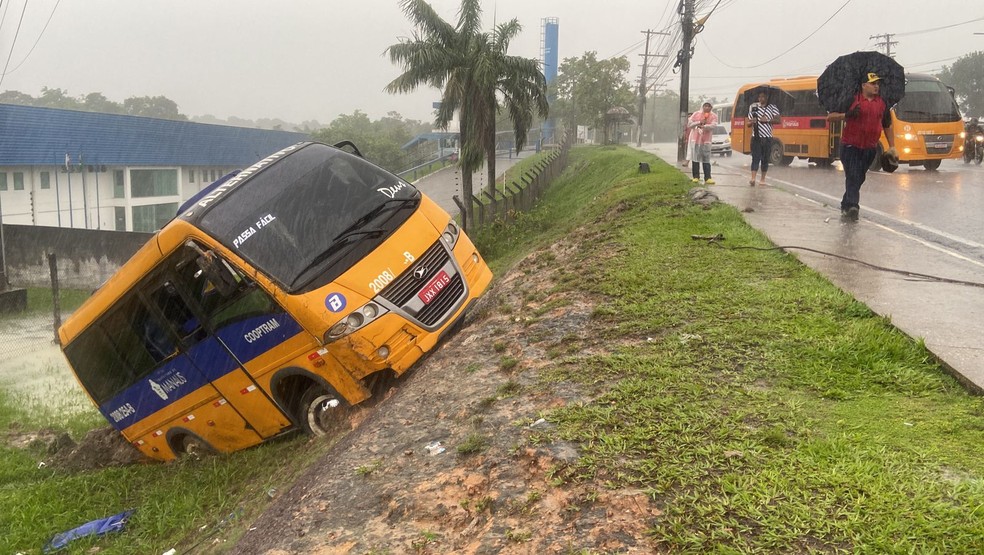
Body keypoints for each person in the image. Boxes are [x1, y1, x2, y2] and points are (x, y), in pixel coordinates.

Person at [827, 72, 896, 221]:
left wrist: (892, 147)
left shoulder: (882, 104)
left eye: (878, 84)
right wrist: (847, 115)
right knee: (853, 175)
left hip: (870, 148)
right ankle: (853, 206)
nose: (876, 86)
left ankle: (846, 203)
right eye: (873, 83)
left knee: (859, 177)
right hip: (850, 146)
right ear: (863, 85)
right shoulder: (851, 99)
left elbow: (887, 125)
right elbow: (830, 117)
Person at [747, 90, 781, 186]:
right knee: (755, 158)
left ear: (767, 98)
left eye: (763, 97)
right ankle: (753, 178)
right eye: (760, 97)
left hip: (767, 137)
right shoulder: (754, 107)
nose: (761, 99)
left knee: (765, 159)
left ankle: (762, 179)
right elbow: (748, 123)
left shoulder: (772, 107)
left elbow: (779, 120)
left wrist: (768, 120)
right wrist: (752, 122)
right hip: (756, 137)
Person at [686, 102, 718, 184]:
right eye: (705, 106)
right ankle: (696, 176)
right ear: (702, 106)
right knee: (695, 159)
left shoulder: (713, 116)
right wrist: (699, 122)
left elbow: (713, 125)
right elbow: (690, 124)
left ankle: (707, 177)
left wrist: (705, 126)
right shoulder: (696, 114)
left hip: (706, 141)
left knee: (706, 159)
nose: (707, 108)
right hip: (696, 139)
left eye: (709, 106)